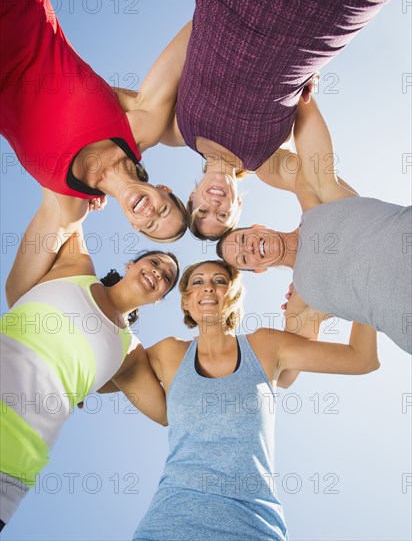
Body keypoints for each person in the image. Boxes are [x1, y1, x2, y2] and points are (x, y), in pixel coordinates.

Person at [104, 260, 378, 540]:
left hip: (253, 527)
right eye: (197, 282)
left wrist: (365, 286)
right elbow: (101, 377)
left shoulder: (265, 345)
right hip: (168, 525)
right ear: (186, 302)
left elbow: (361, 357)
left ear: (233, 295)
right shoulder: (168, 353)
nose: (208, 287)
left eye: (220, 281)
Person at [149, 0, 396, 239]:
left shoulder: (176, 130)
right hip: (318, 16)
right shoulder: (267, 164)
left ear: (192, 195)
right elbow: (323, 186)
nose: (214, 205)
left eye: (202, 211)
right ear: (239, 207)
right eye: (223, 215)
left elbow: (122, 107)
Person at [0, 189, 180, 530]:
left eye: (166, 279)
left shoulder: (130, 355)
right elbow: (62, 196)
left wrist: (164, 353)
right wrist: (92, 195)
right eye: (154, 262)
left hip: (10, 465)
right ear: (132, 264)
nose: (158, 273)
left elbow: (169, 413)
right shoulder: (76, 265)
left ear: (159, 300)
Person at [217, 98, 412, 354]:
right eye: (244, 258)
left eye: (243, 240)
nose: (250, 248)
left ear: (258, 227)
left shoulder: (317, 202)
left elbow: (301, 150)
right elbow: (285, 373)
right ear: (259, 269)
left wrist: (301, 87)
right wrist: (348, 299)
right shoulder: (302, 301)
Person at [0, 0, 189, 242]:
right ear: (163, 190)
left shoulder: (70, 206)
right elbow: (201, 26)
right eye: (164, 209)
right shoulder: (142, 127)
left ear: (134, 225)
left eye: (151, 225)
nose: (151, 212)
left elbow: (17, 283)